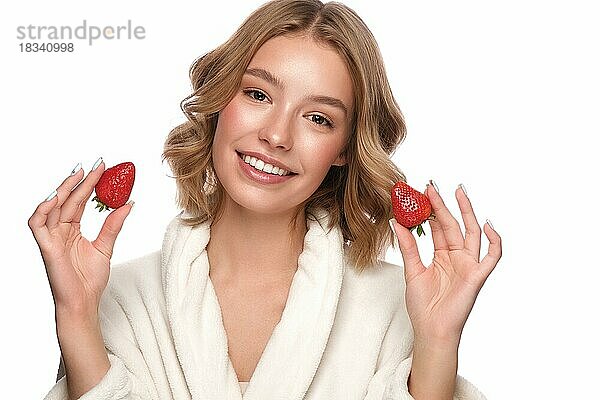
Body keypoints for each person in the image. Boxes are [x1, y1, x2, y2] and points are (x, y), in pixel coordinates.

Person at [30, 0, 502, 399]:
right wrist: (75, 317)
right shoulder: (122, 300)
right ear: (220, 100)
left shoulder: (397, 309)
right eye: (257, 94)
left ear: (344, 149)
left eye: (318, 118)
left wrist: (438, 341)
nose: (276, 135)